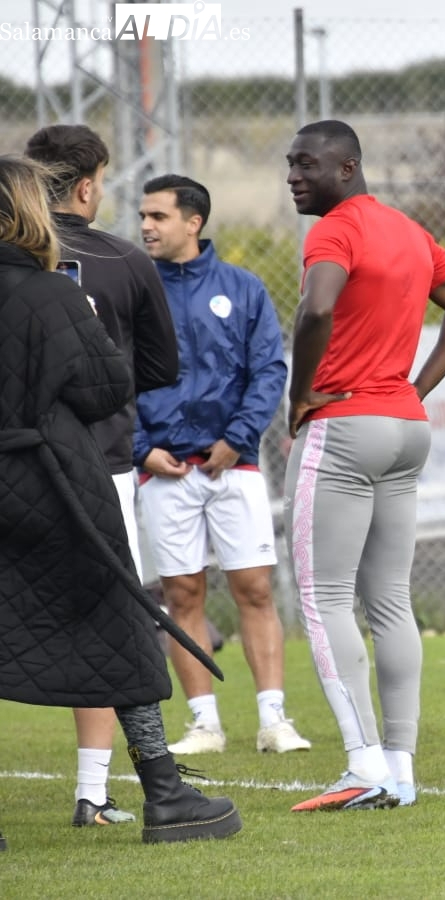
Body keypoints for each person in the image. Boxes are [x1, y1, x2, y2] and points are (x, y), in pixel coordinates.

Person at [0, 154, 240, 848]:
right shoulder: (51, 293)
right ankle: (165, 792)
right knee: (118, 623)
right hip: (51, 481)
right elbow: (106, 388)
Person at [284, 120, 445, 810]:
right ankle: (400, 770)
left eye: (306, 164)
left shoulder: (334, 229)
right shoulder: (408, 230)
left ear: (346, 169)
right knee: (391, 602)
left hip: (344, 426)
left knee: (325, 599)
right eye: (290, 164)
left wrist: (300, 394)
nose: (293, 177)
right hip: (404, 429)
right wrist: (415, 388)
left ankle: (363, 763)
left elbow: (316, 307)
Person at [25, 123, 179, 828]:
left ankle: (99, 792)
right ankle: (96, 792)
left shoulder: (15, 262)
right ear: (88, 186)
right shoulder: (123, 259)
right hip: (102, 464)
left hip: (15, 463)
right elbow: (158, 368)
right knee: (110, 620)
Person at [134, 174, 310, 757]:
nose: (146, 226)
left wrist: (237, 439)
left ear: (194, 222)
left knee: (254, 588)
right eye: (143, 216)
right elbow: (111, 377)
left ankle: (274, 721)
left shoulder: (242, 287)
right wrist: (141, 448)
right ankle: (204, 725)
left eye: (158, 216)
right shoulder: (133, 291)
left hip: (233, 468)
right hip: (163, 469)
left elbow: (269, 370)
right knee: (182, 595)